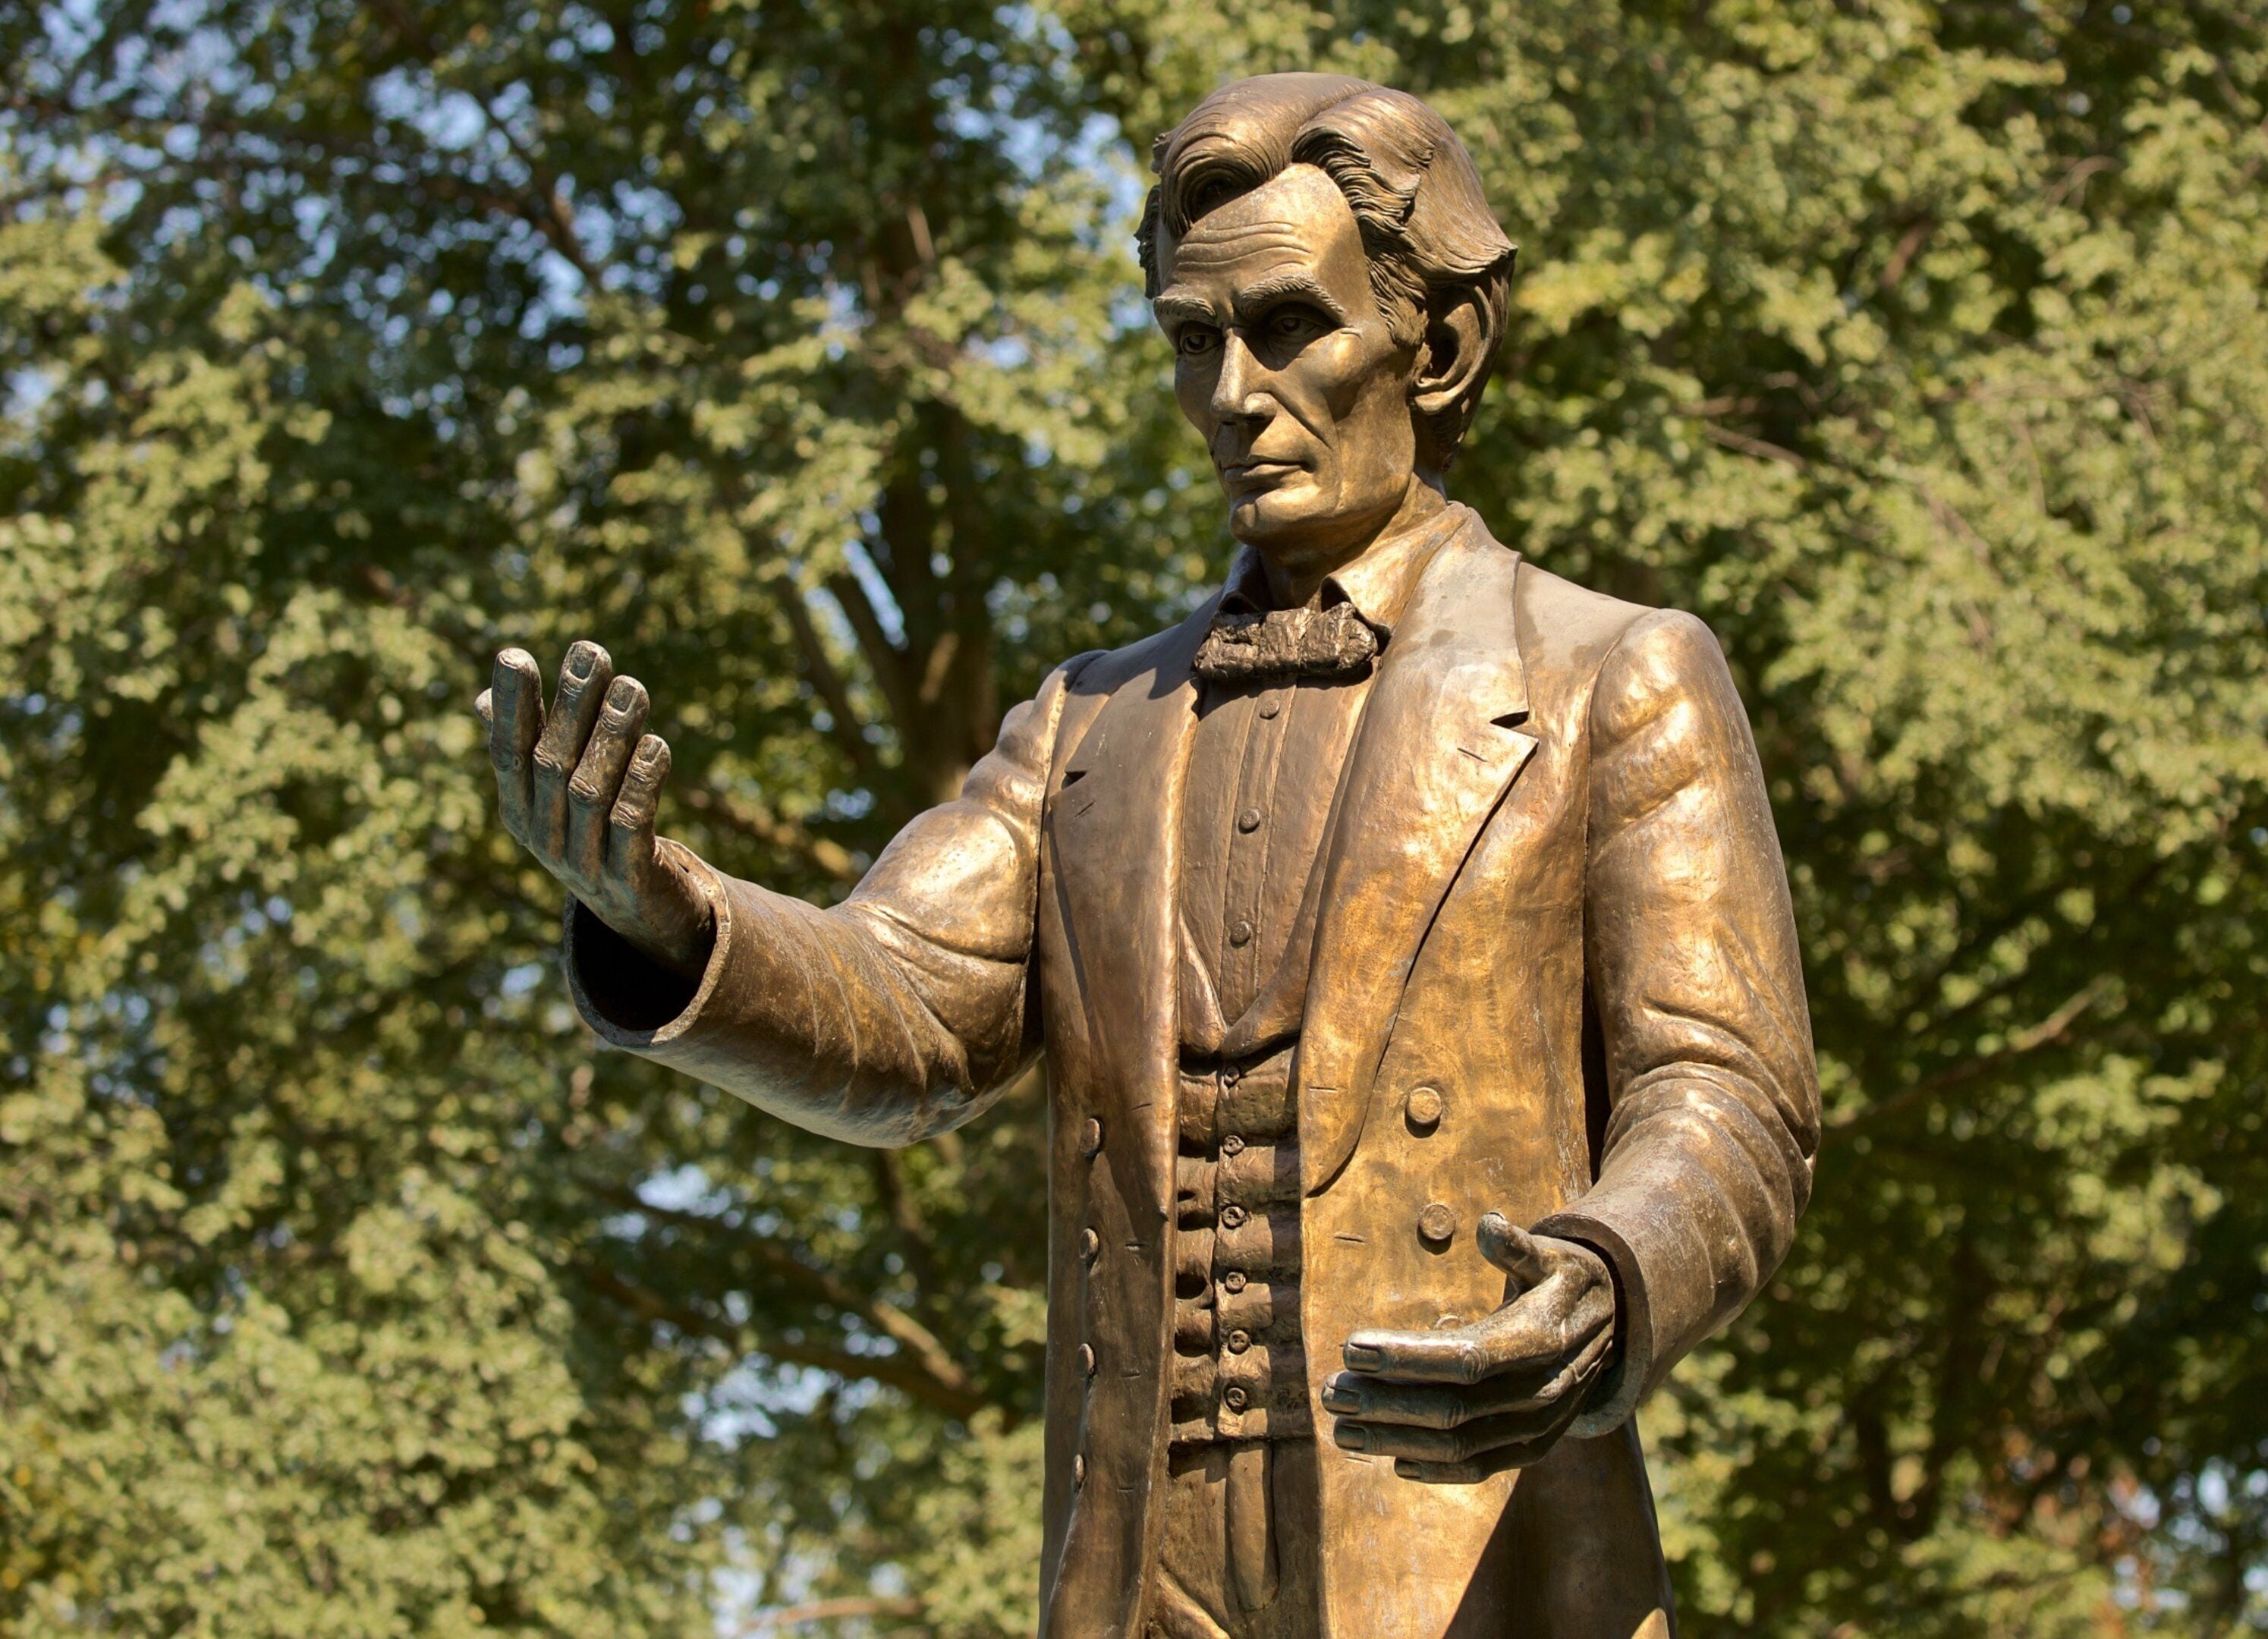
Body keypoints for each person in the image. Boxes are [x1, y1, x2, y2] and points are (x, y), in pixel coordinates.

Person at [477, 73, 1816, 1639]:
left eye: (1289, 328)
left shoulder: (1611, 675)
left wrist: (1606, 1279)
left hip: (1459, 1551)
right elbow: (904, 1004)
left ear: (1439, 345)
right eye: (1195, 340)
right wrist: (666, 916)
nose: (1235, 393)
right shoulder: (1085, 726)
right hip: (1135, 1555)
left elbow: (1727, 1098)